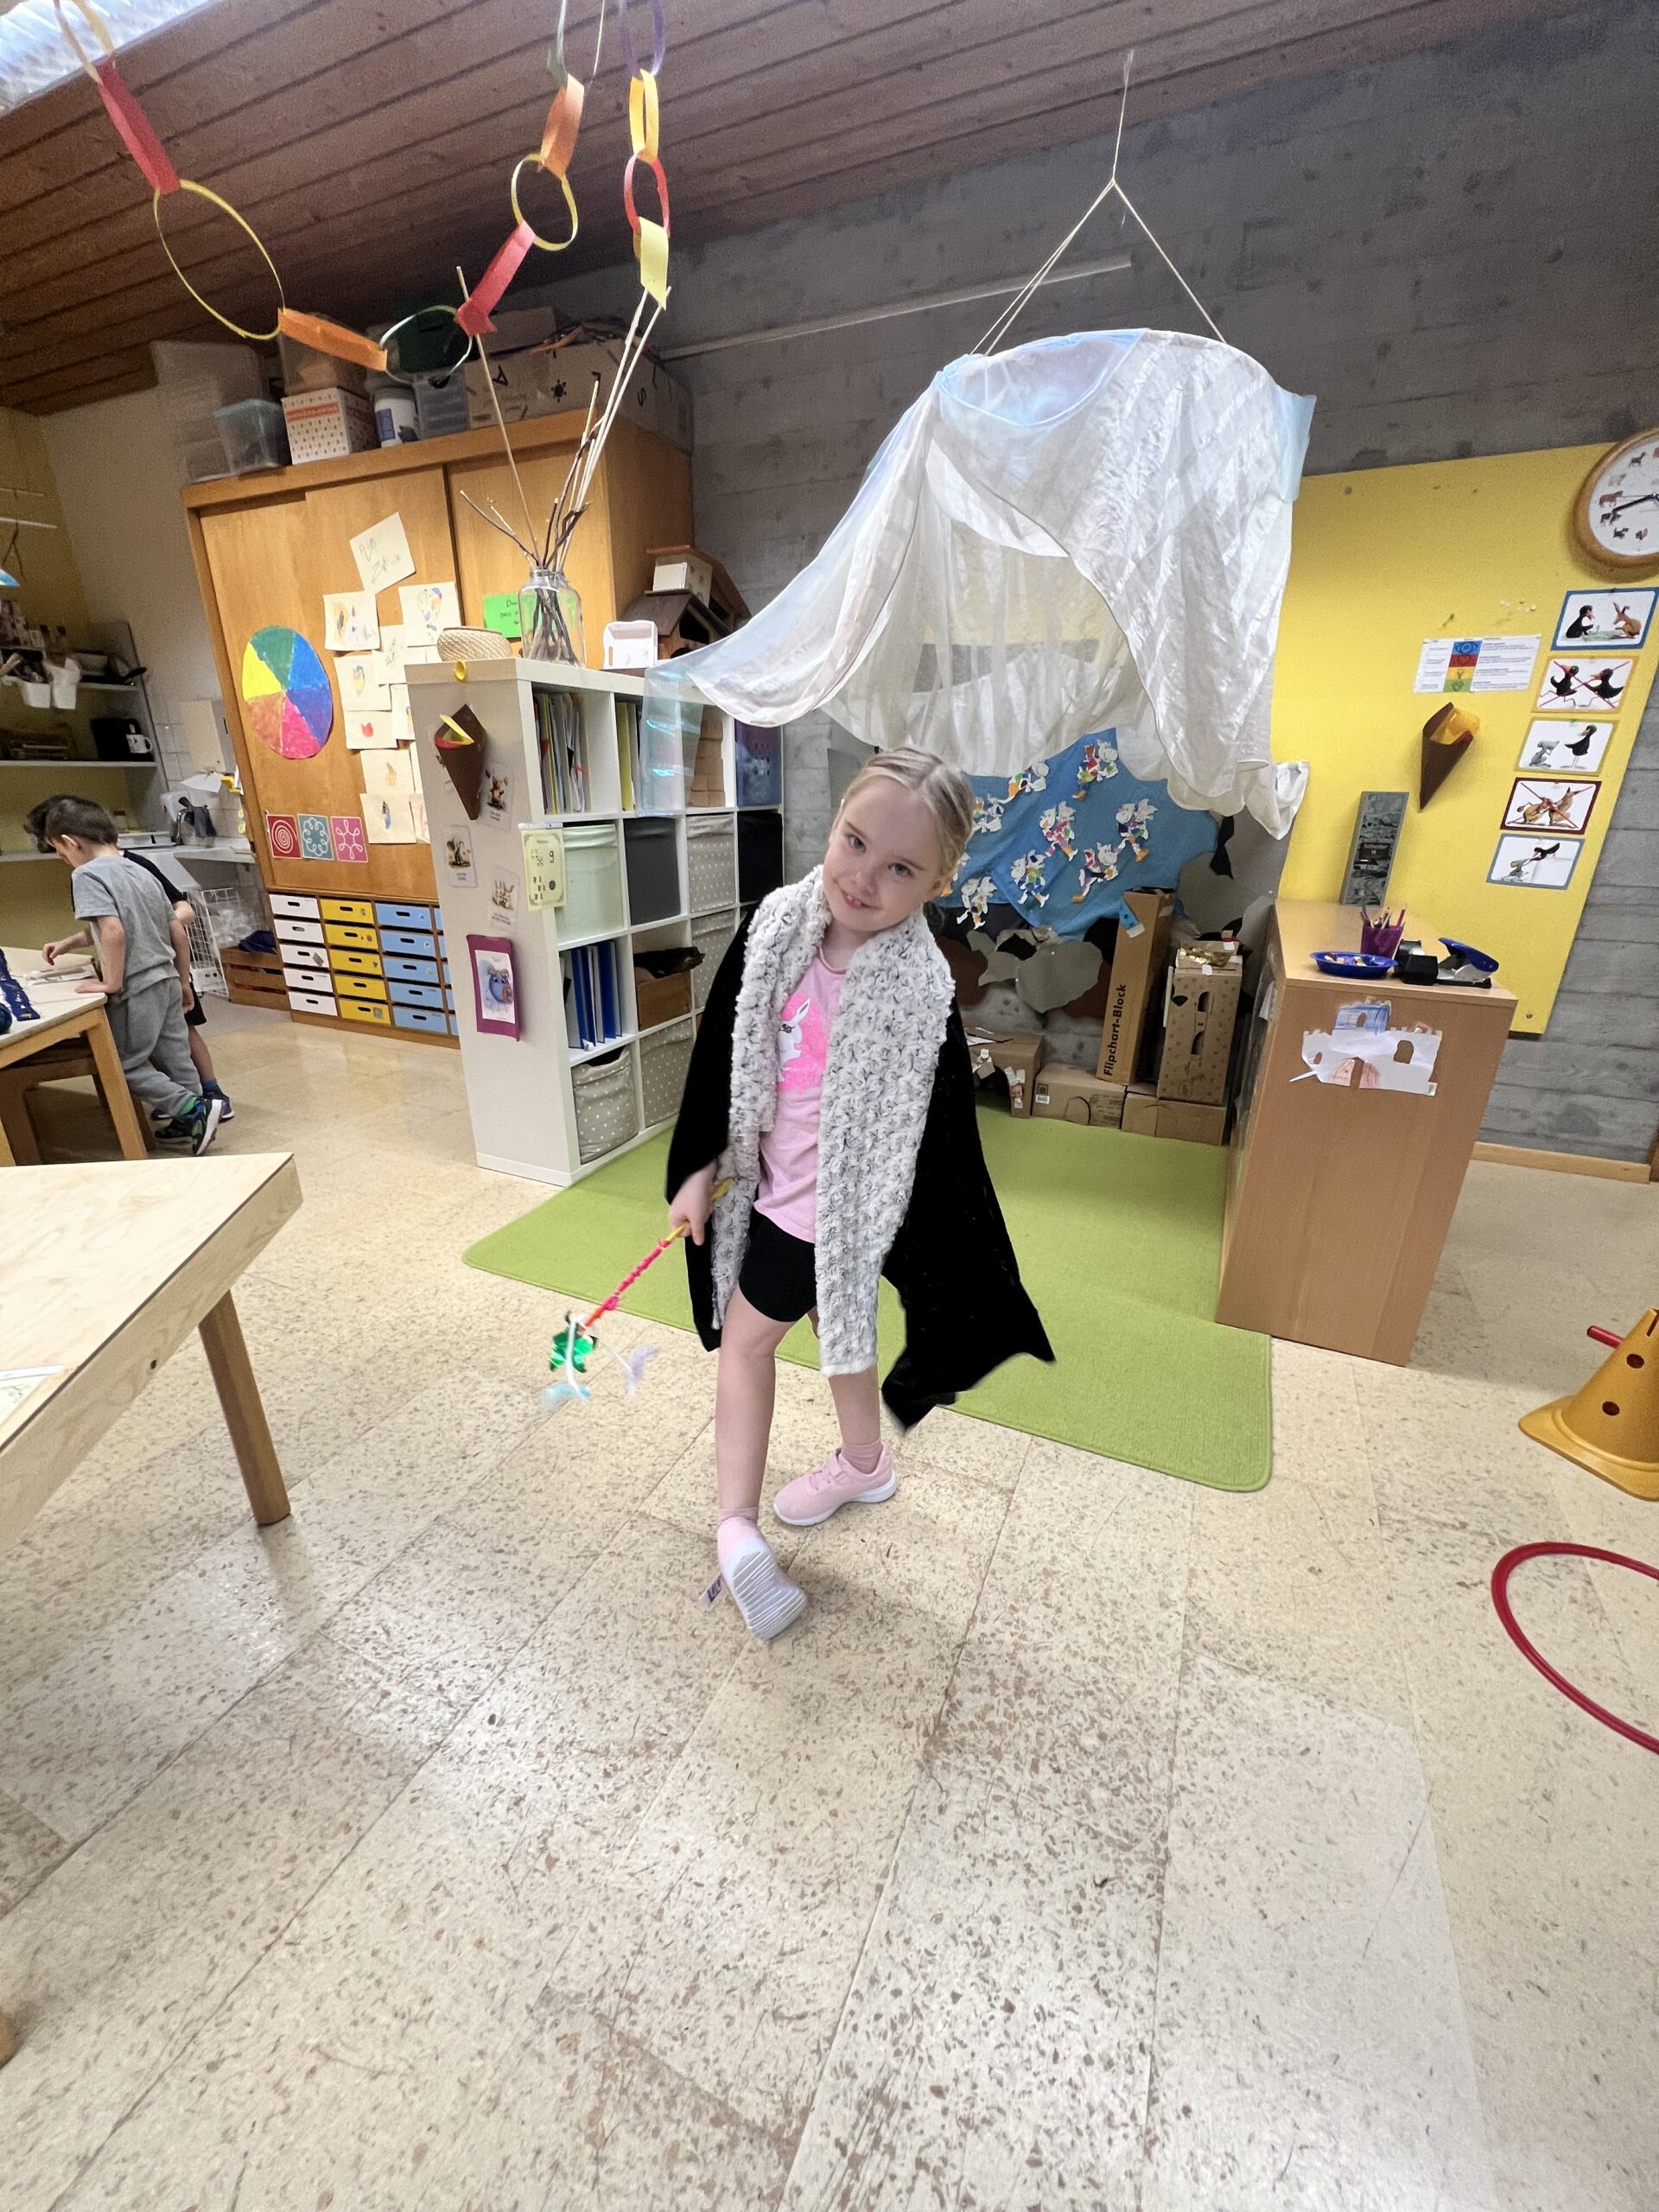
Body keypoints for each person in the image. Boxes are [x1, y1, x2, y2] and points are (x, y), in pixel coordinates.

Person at [666, 748, 1052, 1641]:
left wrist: (921, 1242)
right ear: (835, 822)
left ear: (940, 883)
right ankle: (866, 1461)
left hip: (822, 1214)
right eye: (855, 843)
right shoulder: (778, 926)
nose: (864, 879)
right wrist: (697, 1166)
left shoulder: (918, 988)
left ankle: (735, 1524)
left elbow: (941, 1129)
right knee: (833, 1325)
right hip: (769, 1183)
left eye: (901, 869)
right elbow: (722, 1051)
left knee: (746, 1344)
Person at [28, 795, 233, 1122]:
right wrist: (183, 982)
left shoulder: (86, 876)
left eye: (60, 851)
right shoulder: (141, 870)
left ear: (70, 842)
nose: (62, 859)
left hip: (137, 985)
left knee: (122, 1063)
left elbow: (113, 931)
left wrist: (111, 982)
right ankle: (193, 1120)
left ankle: (193, 1110)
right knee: (177, 1057)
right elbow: (177, 932)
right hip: (168, 979)